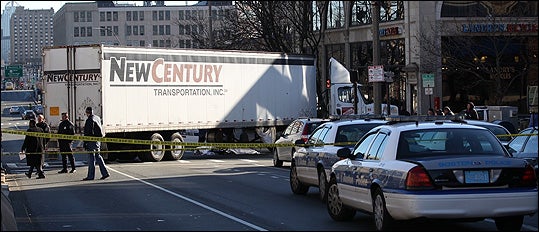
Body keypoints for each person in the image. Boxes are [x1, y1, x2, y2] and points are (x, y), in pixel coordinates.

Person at [82, 107, 110, 181]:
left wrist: (85, 142)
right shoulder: (97, 118)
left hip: (91, 141)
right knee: (98, 156)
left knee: (91, 158)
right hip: (97, 141)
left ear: (87, 112)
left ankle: (91, 176)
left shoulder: (89, 120)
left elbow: (87, 132)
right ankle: (105, 173)